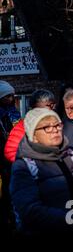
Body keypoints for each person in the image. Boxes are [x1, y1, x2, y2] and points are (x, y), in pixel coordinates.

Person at [9, 108, 73, 234]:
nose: (55, 130)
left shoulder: (72, 155)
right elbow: (30, 211)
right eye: (47, 127)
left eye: (57, 125)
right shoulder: (25, 165)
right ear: (33, 135)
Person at [4, 89, 56, 163]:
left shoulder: (56, 125)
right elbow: (10, 152)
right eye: (49, 105)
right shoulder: (22, 127)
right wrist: (29, 164)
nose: (53, 108)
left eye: (53, 105)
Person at [0, 80, 21, 232]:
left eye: (12, 96)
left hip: (12, 154)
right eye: (8, 96)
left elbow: (19, 126)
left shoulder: (13, 111)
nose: (12, 99)